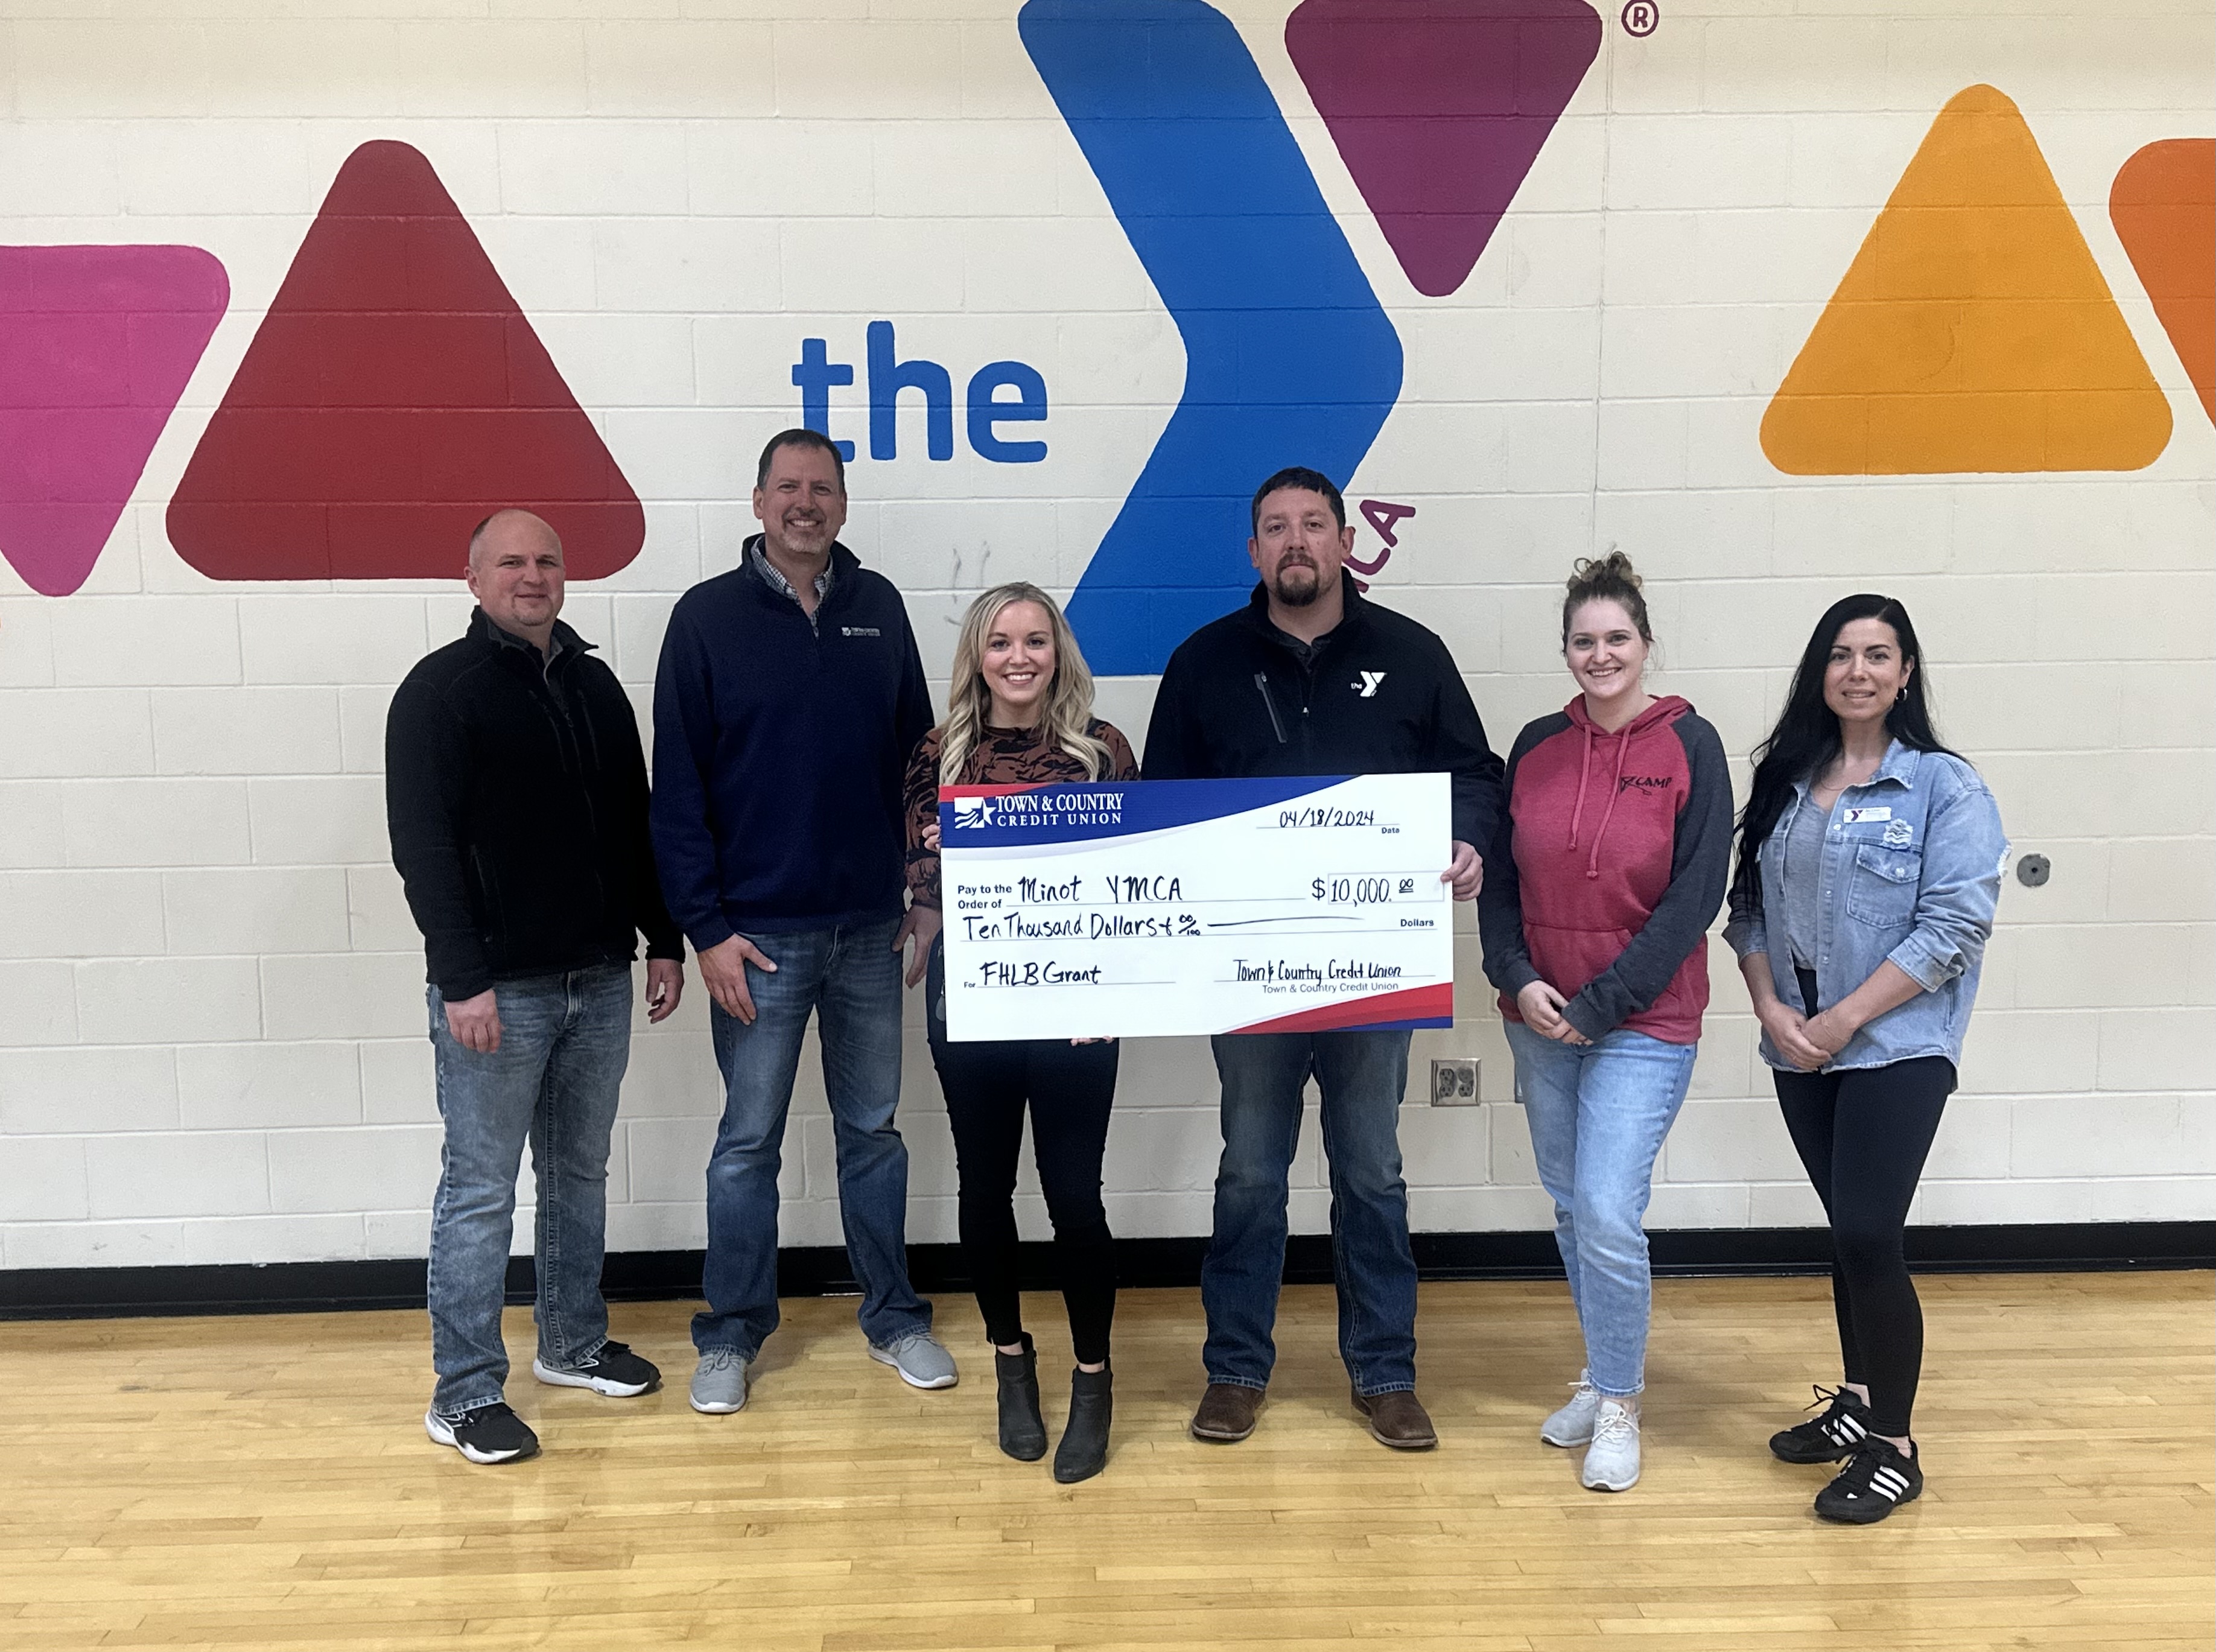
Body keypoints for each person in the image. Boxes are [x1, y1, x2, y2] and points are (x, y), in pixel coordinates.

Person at [1143, 466, 1505, 1451]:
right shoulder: (1203, 661)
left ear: (1347, 542)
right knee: (1251, 1173)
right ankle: (1234, 1370)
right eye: (1275, 527)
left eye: (1313, 524)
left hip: (1374, 970)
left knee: (1372, 1172)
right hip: (1248, 971)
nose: (1295, 541)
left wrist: (1468, 836)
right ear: (1252, 549)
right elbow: (1160, 813)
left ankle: (1384, 1371)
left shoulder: (1413, 653)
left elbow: (1473, 773)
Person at [651, 428, 954, 1415]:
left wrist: (922, 891)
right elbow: (677, 793)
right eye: (787, 487)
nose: (804, 504)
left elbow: (919, 765)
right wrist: (704, 931)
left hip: (869, 930)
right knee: (747, 1144)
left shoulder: (880, 609)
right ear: (757, 502)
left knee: (873, 1131)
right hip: (758, 941)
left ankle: (895, 1316)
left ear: (842, 505)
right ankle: (732, 1333)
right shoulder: (704, 620)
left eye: (821, 489)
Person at [386, 509, 687, 1465]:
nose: (532, 575)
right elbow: (424, 849)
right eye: (510, 561)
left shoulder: (596, 686)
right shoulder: (439, 693)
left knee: (577, 1171)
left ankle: (570, 1342)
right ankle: (465, 1392)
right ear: (472, 578)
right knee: (479, 1188)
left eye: (547, 559)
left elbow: (634, 825)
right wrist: (460, 980)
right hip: (496, 994)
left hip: (598, 976)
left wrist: (663, 938)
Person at [1725, 594, 2005, 1525]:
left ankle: (1893, 1445)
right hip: (1797, 1045)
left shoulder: (1942, 787)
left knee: (1869, 1236)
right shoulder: (1786, 778)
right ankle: (1856, 1400)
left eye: (1877, 655)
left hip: (1894, 1046)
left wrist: (1843, 1017)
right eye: (1840, 654)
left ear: (1904, 672)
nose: (1857, 671)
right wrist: (1771, 1006)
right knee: (1844, 1231)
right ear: (1820, 669)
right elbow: (1750, 912)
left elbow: (1953, 927)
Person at [1476, 553, 1732, 1492]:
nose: (1600, 654)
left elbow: (1692, 896)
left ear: (1645, 642)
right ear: (1565, 651)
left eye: (1615, 637)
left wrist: (1599, 1005)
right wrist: (1514, 974)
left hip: (1641, 1019)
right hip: (1537, 1014)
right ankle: (1599, 1370)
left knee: (1611, 1213)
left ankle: (1621, 1403)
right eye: (1582, 641)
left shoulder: (1689, 747)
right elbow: (1500, 881)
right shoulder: (1537, 745)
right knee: (1572, 1205)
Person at [903, 582, 1139, 1483]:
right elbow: (920, 868)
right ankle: (1010, 1361)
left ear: (1057, 652)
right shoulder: (938, 750)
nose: (1018, 656)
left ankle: (1092, 1376)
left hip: (1078, 1009)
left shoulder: (1101, 749)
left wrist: (1108, 991)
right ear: (977, 654)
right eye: (1000, 641)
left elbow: (1133, 881)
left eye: (1035, 640)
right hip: (973, 1002)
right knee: (984, 1187)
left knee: (1074, 1195)